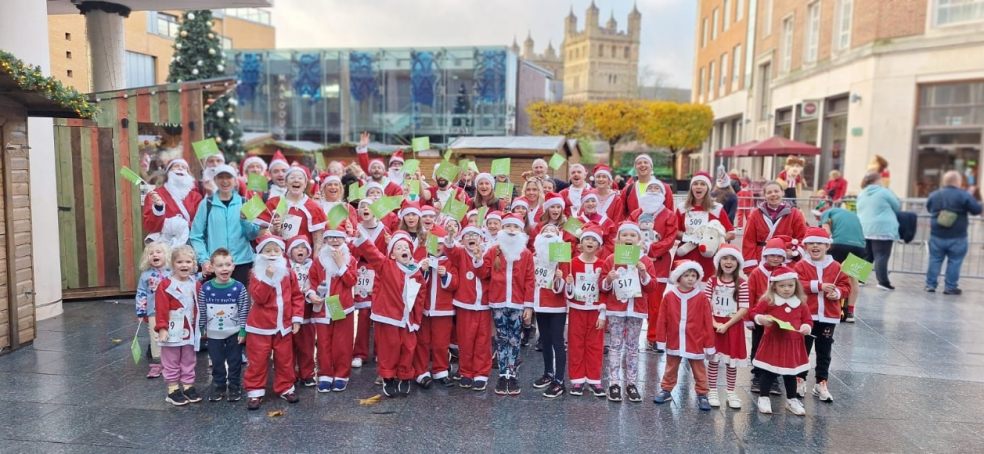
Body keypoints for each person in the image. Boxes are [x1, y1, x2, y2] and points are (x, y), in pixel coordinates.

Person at [353, 230, 426, 398]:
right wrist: (362, 238)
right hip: (389, 318)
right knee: (389, 348)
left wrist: (416, 318)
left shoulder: (415, 271)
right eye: (398, 247)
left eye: (406, 247)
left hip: (408, 319)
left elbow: (421, 296)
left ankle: (405, 375)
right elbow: (372, 253)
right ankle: (388, 377)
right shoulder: (386, 265)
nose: (403, 249)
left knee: (408, 348)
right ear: (392, 254)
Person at [243, 235, 304, 410]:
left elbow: (297, 296)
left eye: (276, 250)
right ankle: (255, 391)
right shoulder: (256, 274)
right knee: (258, 360)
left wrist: (296, 319)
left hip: (283, 326)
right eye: (267, 250)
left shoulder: (288, 273)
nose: (272, 254)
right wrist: (268, 278)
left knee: (285, 359)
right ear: (260, 253)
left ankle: (286, 387)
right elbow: (259, 298)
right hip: (260, 327)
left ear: (282, 253)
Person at [477, 214, 534, 396]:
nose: (511, 230)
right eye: (508, 226)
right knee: (501, 338)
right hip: (499, 301)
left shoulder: (526, 254)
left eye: (515, 227)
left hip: (518, 303)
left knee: (514, 338)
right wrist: (478, 258)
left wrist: (528, 305)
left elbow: (529, 280)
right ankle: (503, 374)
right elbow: (483, 272)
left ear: (520, 230)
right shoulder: (494, 250)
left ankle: (512, 372)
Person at [599, 222, 656, 403]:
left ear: (639, 240)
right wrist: (609, 278)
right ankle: (614, 383)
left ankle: (631, 383)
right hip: (616, 309)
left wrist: (644, 273)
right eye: (625, 235)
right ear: (619, 239)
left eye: (633, 235)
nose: (629, 238)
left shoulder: (645, 260)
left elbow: (652, 287)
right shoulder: (611, 259)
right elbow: (603, 287)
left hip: (637, 310)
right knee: (615, 346)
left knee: (632, 347)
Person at [794, 227, 850, 402]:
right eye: (811, 243)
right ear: (806, 246)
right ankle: (800, 379)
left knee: (824, 350)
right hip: (807, 316)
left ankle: (821, 382)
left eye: (819, 243)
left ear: (827, 246)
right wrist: (819, 286)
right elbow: (796, 284)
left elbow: (845, 286)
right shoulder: (801, 265)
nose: (815, 246)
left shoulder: (837, 267)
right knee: (803, 349)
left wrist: (838, 293)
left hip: (828, 316)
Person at [652, 260, 716, 411]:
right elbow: (662, 319)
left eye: (693, 275)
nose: (690, 278)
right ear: (679, 277)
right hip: (675, 338)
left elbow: (707, 321)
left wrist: (709, 344)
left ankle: (702, 394)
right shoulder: (669, 296)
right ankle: (666, 390)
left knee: (699, 369)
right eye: (686, 275)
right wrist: (660, 340)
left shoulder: (701, 297)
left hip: (696, 340)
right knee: (671, 367)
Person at [748, 266, 813, 416]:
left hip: (792, 344)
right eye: (782, 286)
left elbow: (808, 320)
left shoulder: (800, 303)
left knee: (791, 374)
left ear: (796, 285)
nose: (786, 289)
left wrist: (805, 327)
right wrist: (761, 319)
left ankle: (792, 399)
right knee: (768, 372)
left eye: (790, 285)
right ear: (774, 286)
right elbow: (754, 312)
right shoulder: (769, 300)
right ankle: (764, 397)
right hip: (774, 342)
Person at [306, 227, 358, 392]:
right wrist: (311, 293)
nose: (335, 241)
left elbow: (351, 281)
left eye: (338, 238)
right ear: (326, 240)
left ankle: (341, 374)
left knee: (342, 343)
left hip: (341, 306)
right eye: (331, 238)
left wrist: (341, 265)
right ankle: (325, 374)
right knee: (323, 343)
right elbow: (311, 280)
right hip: (322, 307)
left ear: (344, 240)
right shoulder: (318, 260)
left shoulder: (351, 260)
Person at [190, 164, 260, 284]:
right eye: (221, 177)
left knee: (240, 301)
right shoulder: (206, 203)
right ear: (215, 180)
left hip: (241, 263)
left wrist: (245, 221)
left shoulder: (246, 202)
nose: (225, 181)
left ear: (235, 180)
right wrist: (204, 260)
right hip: (215, 264)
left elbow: (253, 234)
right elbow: (195, 235)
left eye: (229, 177)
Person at [629, 180, 678, 352]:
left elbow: (670, 239)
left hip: (659, 264)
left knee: (655, 303)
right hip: (635, 263)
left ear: (663, 194)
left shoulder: (670, 215)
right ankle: (631, 337)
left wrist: (651, 248)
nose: (653, 191)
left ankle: (653, 337)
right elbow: (626, 233)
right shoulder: (635, 214)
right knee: (633, 299)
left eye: (657, 189)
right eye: (650, 188)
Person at [197, 248, 250, 402]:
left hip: (234, 332)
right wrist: (202, 328)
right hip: (213, 333)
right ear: (212, 268)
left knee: (235, 361)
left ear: (233, 266)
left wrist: (243, 330)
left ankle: (234, 386)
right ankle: (219, 386)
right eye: (220, 265)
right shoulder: (206, 288)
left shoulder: (239, 288)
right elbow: (201, 309)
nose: (224, 268)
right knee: (217, 361)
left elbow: (244, 310)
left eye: (228, 264)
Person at [153, 245, 202, 406]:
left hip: (189, 329)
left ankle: (188, 385)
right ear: (173, 264)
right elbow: (161, 308)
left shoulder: (195, 284)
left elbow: (199, 306)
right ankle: (173, 388)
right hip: (172, 330)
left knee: (189, 358)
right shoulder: (165, 285)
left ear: (193, 264)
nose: (184, 265)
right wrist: (162, 327)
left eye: (188, 261)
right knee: (171, 358)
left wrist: (201, 326)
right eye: (180, 262)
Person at [562, 226, 606, 398]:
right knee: (576, 343)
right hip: (577, 309)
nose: (590, 242)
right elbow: (568, 292)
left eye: (594, 240)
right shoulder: (572, 263)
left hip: (595, 310)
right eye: (587, 239)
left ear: (599, 245)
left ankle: (594, 379)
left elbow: (605, 290)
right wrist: (569, 283)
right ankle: (577, 378)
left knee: (595, 344)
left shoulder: (602, 264)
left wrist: (603, 313)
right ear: (581, 243)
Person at [703, 245, 749, 410]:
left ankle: (731, 391)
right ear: (719, 261)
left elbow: (744, 308)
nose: (728, 262)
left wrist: (727, 325)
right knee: (714, 360)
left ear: (738, 263)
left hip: (733, 326)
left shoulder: (742, 284)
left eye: (732, 259)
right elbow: (706, 303)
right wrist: (715, 323)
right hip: (715, 325)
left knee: (732, 362)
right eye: (725, 258)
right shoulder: (712, 281)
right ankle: (713, 390)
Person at [413, 226, 458, 389]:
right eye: (435, 244)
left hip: (443, 310)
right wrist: (422, 271)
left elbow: (454, 284)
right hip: (424, 310)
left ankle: (441, 370)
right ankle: (421, 371)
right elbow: (415, 283)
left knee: (441, 343)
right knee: (423, 341)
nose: (438, 247)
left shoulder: (450, 261)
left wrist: (446, 275)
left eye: (441, 244)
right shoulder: (422, 259)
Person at [448, 226, 492, 391]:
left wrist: (479, 258)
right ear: (462, 239)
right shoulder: (460, 253)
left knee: (482, 341)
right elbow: (450, 250)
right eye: (467, 236)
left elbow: (485, 273)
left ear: (481, 239)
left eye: (475, 235)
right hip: (464, 303)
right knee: (465, 340)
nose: (471, 238)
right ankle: (466, 372)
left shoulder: (487, 254)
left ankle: (481, 373)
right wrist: (451, 236)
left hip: (483, 305)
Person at [925, 170, 982, 294]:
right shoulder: (963, 195)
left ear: (944, 181)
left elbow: (929, 208)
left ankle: (930, 285)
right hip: (958, 235)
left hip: (937, 234)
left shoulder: (934, 195)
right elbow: (976, 210)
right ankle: (950, 287)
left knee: (935, 259)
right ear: (958, 182)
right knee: (955, 261)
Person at [530, 224, 568, 398]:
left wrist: (561, 279)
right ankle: (548, 373)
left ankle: (559, 380)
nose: (548, 234)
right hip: (539, 304)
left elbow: (567, 286)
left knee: (557, 341)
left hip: (557, 306)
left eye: (553, 232)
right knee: (544, 340)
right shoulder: (533, 258)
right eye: (545, 231)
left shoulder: (562, 259)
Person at [747, 238, 788, 395]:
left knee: (776, 348)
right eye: (772, 255)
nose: (775, 259)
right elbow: (749, 295)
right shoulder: (757, 273)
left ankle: (773, 378)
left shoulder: (787, 274)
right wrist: (748, 318)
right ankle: (757, 376)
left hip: (778, 319)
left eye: (779, 256)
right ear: (765, 256)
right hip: (759, 317)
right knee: (757, 346)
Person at [676, 171, 735, 278]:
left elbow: (731, 233)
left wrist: (714, 240)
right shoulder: (682, 208)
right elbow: (675, 231)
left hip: (707, 258)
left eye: (702, 184)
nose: (699, 187)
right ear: (691, 187)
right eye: (695, 183)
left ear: (708, 188)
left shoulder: (717, 208)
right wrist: (690, 237)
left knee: (705, 290)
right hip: (685, 255)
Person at [741, 181, 807, 274]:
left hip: (786, 261)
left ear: (782, 192)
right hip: (762, 260)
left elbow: (803, 238)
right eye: (769, 192)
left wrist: (794, 253)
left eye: (776, 191)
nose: (773, 194)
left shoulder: (795, 214)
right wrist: (750, 268)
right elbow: (749, 242)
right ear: (764, 195)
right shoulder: (755, 214)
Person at [819, 207, 866, 322]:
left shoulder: (826, 212)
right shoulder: (852, 215)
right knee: (853, 277)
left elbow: (826, 231)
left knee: (834, 275)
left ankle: (835, 308)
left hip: (839, 244)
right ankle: (850, 312)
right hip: (861, 247)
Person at [143, 158, 203, 247]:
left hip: (188, 243)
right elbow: (150, 225)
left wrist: (182, 225)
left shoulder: (195, 197)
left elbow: (200, 223)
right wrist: (159, 209)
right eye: (176, 166)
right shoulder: (156, 194)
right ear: (168, 172)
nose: (180, 168)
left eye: (184, 167)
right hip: (163, 245)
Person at [856, 171, 900, 290]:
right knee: (881, 255)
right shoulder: (885, 192)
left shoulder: (862, 193)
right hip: (882, 228)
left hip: (864, 227)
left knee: (866, 255)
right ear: (877, 180)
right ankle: (883, 282)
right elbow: (897, 205)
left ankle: (858, 279)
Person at [136, 242, 171, 379]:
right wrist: (141, 311)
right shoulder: (146, 275)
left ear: (166, 255)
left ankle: (170, 362)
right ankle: (158, 363)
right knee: (155, 336)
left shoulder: (171, 272)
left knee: (171, 335)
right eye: (151, 253)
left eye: (158, 252)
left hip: (171, 310)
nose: (154, 255)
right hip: (153, 311)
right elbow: (141, 293)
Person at [286, 236, 317, 388]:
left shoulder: (313, 266)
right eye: (297, 247)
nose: (300, 250)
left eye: (304, 248)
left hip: (307, 311)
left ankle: (308, 374)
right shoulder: (286, 267)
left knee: (307, 346)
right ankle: (290, 374)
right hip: (290, 312)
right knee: (289, 347)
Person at [621, 154, 674, 218]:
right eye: (639, 163)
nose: (642, 165)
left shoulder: (665, 188)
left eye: (646, 162)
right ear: (635, 168)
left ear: (651, 167)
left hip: (658, 227)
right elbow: (622, 214)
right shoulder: (627, 190)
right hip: (634, 226)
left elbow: (670, 213)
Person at [355, 132, 403, 196]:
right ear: (369, 171)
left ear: (384, 171)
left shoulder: (394, 187)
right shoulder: (364, 185)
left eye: (379, 168)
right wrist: (362, 147)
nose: (376, 170)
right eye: (374, 168)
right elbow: (365, 165)